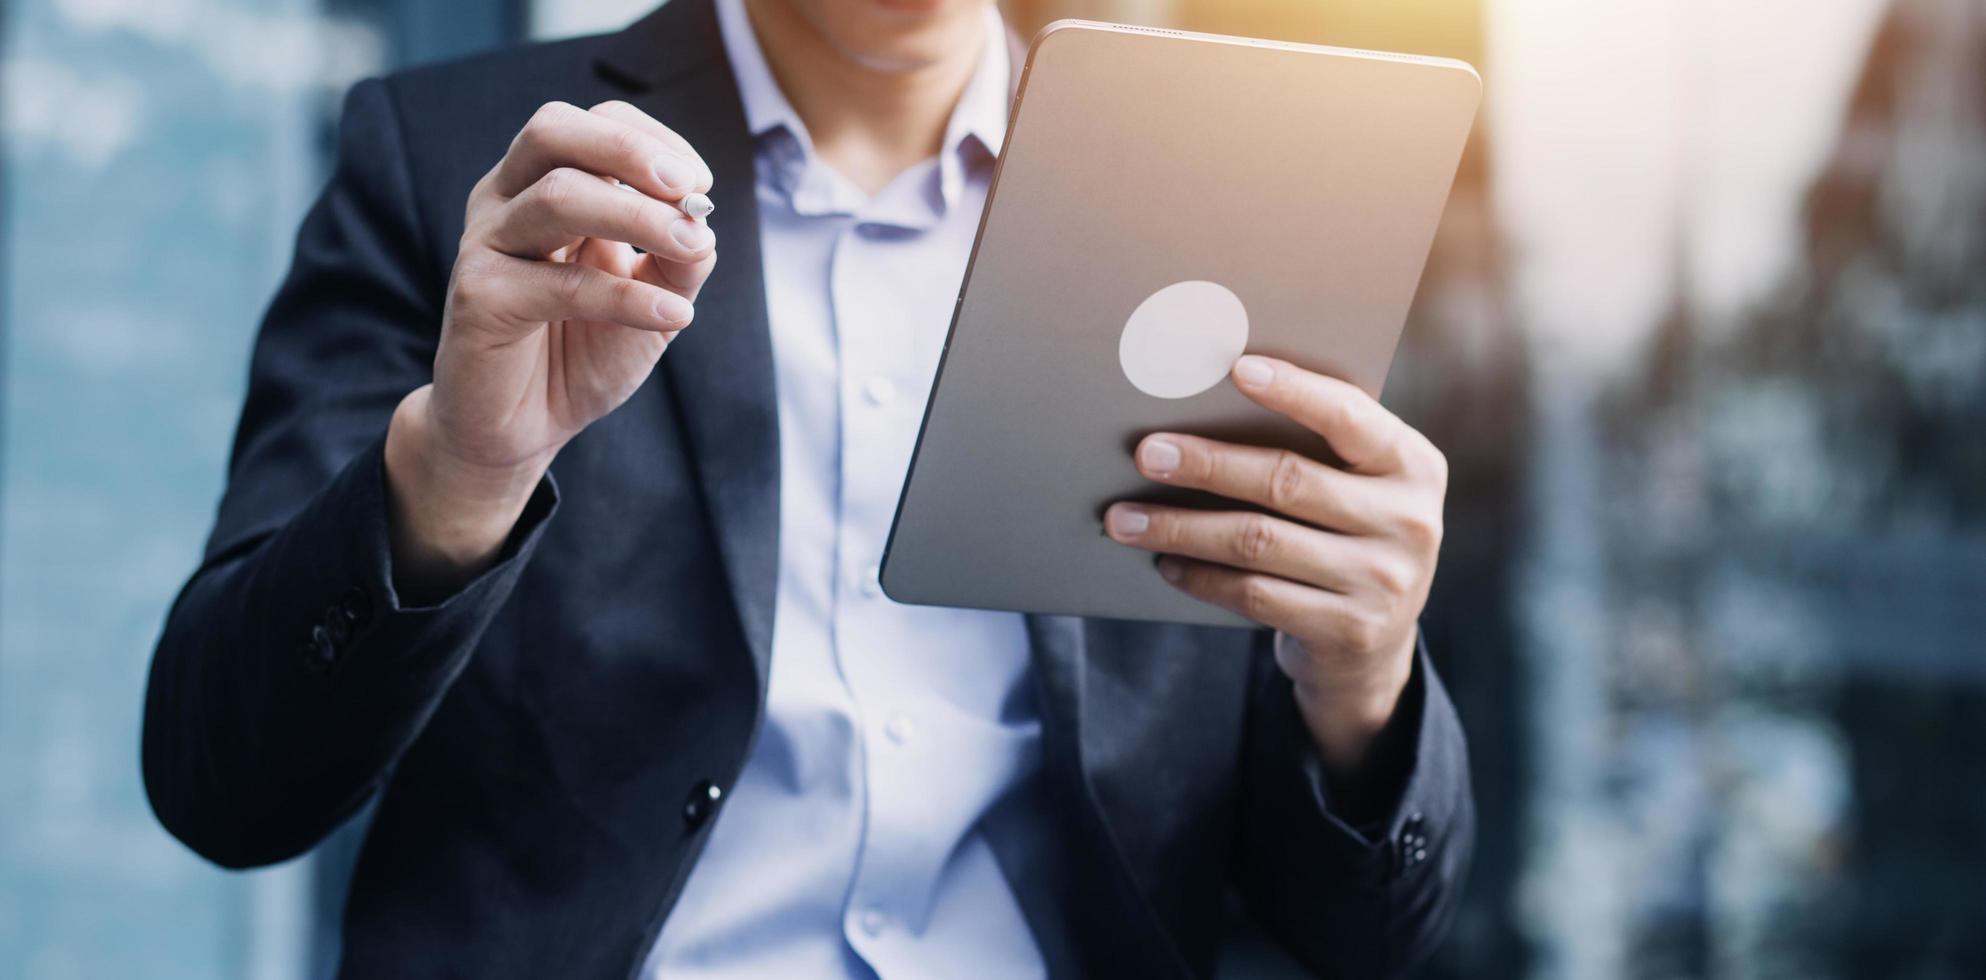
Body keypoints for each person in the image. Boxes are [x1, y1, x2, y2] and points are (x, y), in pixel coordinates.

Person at [143, 0, 1474, 975]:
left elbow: (1368, 935)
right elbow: (225, 785)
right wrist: (457, 475)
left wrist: (1361, 683)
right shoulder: (468, 168)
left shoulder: (1225, 201)